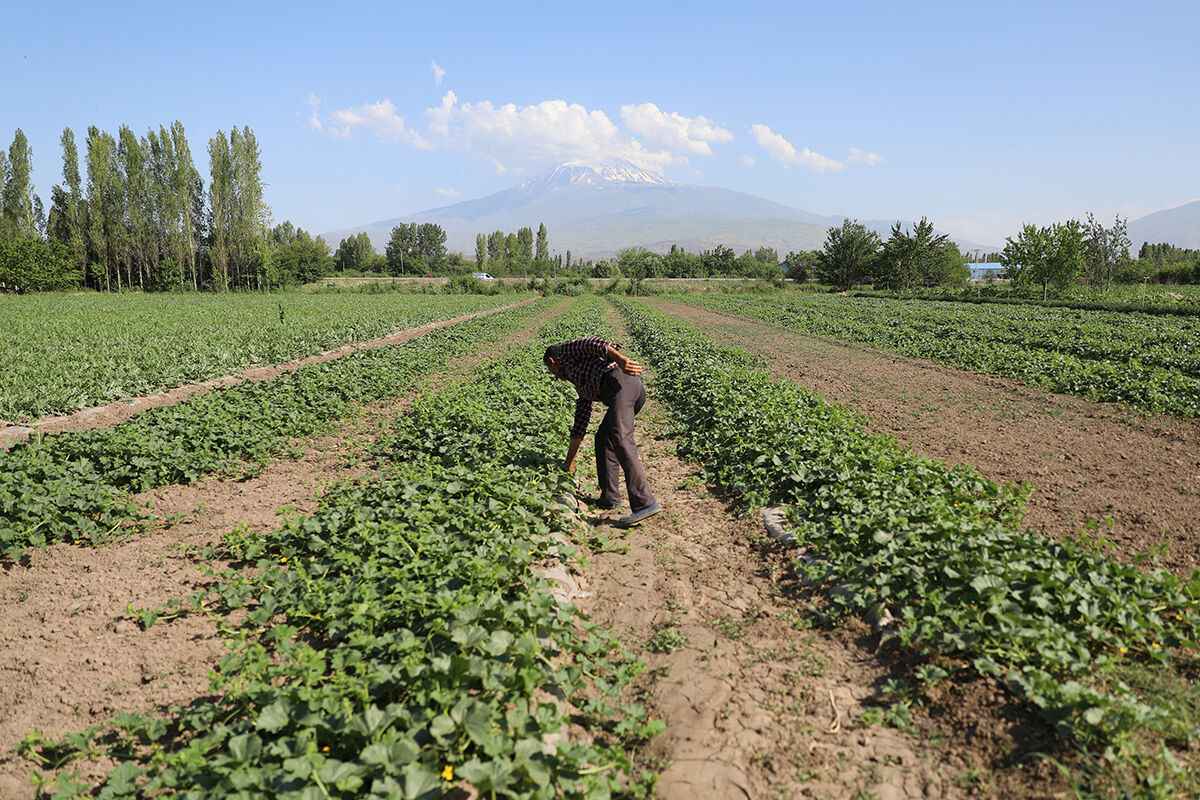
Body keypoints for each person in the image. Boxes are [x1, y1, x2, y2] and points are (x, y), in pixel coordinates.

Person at [544, 337, 662, 526]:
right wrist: (569, 461)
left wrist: (622, 361)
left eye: (553, 372)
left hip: (621, 382)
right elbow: (580, 425)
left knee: (621, 438)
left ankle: (644, 503)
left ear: (552, 361)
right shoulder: (580, 382)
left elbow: (594, 343)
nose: (557, 377)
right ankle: (610, 498)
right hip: (623, 390)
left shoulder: (566, 351)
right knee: (602, 439)